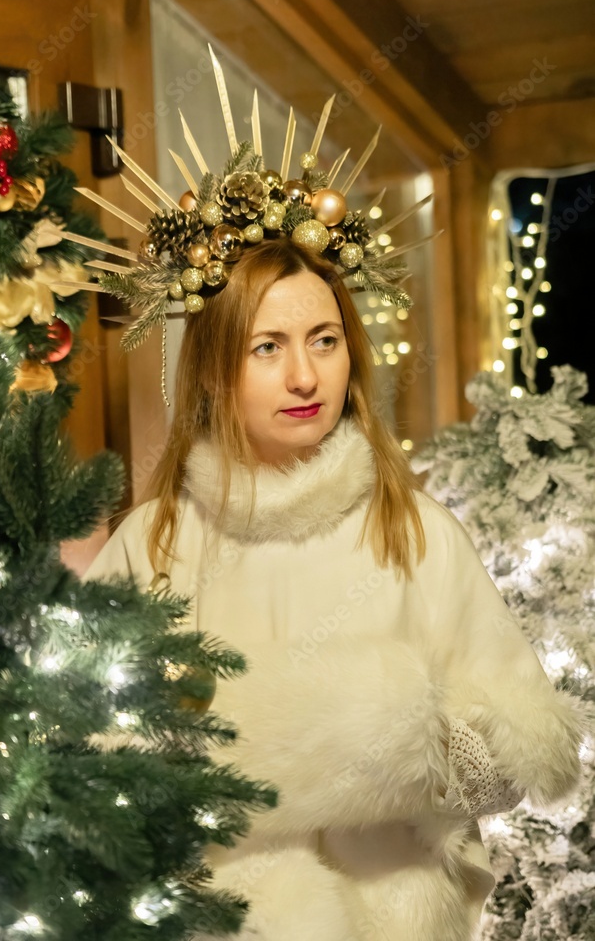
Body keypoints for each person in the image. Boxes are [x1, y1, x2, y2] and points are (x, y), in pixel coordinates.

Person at [85, 236, 582, 941]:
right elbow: (80, 756)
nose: (303, 377)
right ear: (212, 371)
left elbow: (525, 759)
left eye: (324, 341)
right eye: (266, 348)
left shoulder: (417, 534)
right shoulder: (153, 543)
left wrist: (380, 736)